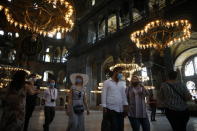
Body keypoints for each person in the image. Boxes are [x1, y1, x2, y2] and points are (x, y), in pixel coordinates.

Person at [101, 67, 128, 131]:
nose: (121, 74)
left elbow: (124, 95)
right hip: (110, 108)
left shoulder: (123, 83)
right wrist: (104, 107)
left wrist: (126, 105)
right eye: (120, 72)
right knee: (113, 127)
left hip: (121, 109)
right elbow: (104, 94)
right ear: (115, 72)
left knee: (120, 127)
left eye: (122, 73)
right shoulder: (107, 82)